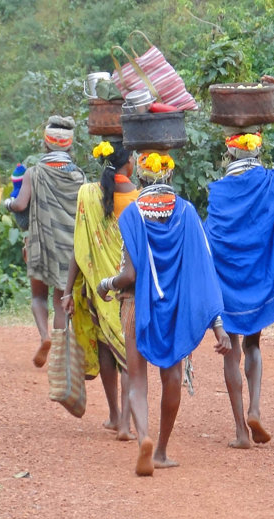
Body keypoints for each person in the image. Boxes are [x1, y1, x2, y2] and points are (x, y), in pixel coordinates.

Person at [97, 150, 232, 476]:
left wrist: (105, 283)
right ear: (169, 174)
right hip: (176, 309)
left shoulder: (132, 214)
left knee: (137, 379)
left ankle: (143, 436)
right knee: (171, 377)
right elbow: (203, 272)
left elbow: (129, 275)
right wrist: (218, 325)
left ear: (140, 177)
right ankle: (159, 451)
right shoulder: (187, 213)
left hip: (135, 305)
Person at [204, 75, 274, 449]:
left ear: (229, 153)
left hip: (227, 282)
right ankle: (255, 407)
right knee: (253, 344)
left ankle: (241, 431)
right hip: (260, 279)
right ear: (257, 148)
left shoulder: (219, 192)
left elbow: (211, 239)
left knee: (231, 350)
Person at [61, 140, 138, 441]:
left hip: (97, 288)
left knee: (107, 348)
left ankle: (114, 415)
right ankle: (126, 425)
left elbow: (79, 248)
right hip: (127, 287)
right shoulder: (137, 198)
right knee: (128, 354)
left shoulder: (88, 195)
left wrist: (68, 291)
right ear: (128, 163)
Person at [3, 116, 85, 367]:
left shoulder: (34, 172)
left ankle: (44, 336)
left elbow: (20, 205)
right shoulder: (78, 175)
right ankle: (59, 353)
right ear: (69, 145)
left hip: (40, 245)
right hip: (69, 249)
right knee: (61, 301)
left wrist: (8, 203)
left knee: (38, 297)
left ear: (46, 144)